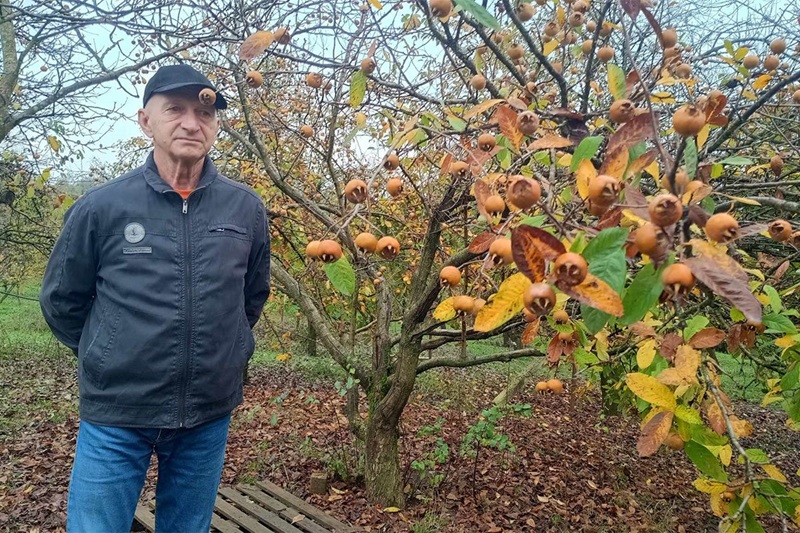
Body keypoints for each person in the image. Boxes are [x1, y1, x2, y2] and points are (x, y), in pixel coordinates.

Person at [39, 64, 270, 532]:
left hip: (207, 413)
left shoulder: (245, 208)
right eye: (176, 110)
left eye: (205, 113)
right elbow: (62, 300)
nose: (191, 123)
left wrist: (227, 352)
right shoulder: (102, 207)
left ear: (217, 124)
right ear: (146, 120)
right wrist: (107, 351)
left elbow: (251, 297)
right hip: (116, 414)